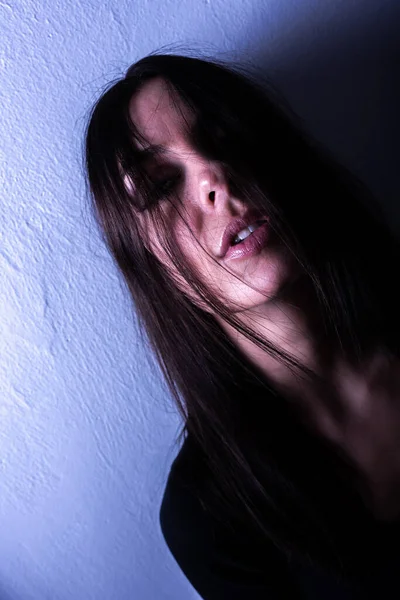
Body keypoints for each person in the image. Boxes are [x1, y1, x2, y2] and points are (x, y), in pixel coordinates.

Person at [84, 50, 400, 598]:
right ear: (150, 267)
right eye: (161, 184)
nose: (214, 177)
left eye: (223, 138)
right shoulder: (207, 518)